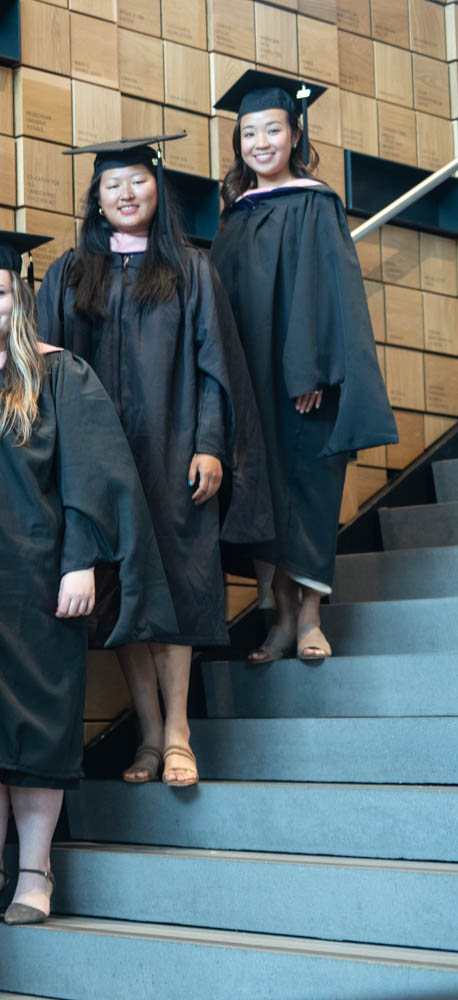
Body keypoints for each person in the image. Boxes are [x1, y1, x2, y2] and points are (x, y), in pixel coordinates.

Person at [0, 229, 175, 927]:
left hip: (36, 582)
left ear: (17, 298)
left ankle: (35, 871)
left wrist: (81, 557)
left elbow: (94, 473)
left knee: (36, 727)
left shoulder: (59, 374)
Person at [37, 135, 272, 787]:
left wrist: (210, 445)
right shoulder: (71, 271)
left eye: (137, 182)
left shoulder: (190, 270)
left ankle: (179, 735)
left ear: (156, 189)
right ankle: (145, 735)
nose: (126, 194)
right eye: (113, 186)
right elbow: (45, 365)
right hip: (103, 465)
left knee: (178, 590)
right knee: (123, 600)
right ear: (97, 198)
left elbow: (213, 365)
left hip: (174, 459)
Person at [210, 70, 398, 662]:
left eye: (272, 130)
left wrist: (312, 371)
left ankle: (313, 616)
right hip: (250, 380)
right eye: (248, 133)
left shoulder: (317, 203)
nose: (260, 142)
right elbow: (222, 299)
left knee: (309, 492)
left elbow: (331, 290)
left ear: (295, 135)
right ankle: (280, 618)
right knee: (257, 492)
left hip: (303, 382)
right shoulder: (235, 214)